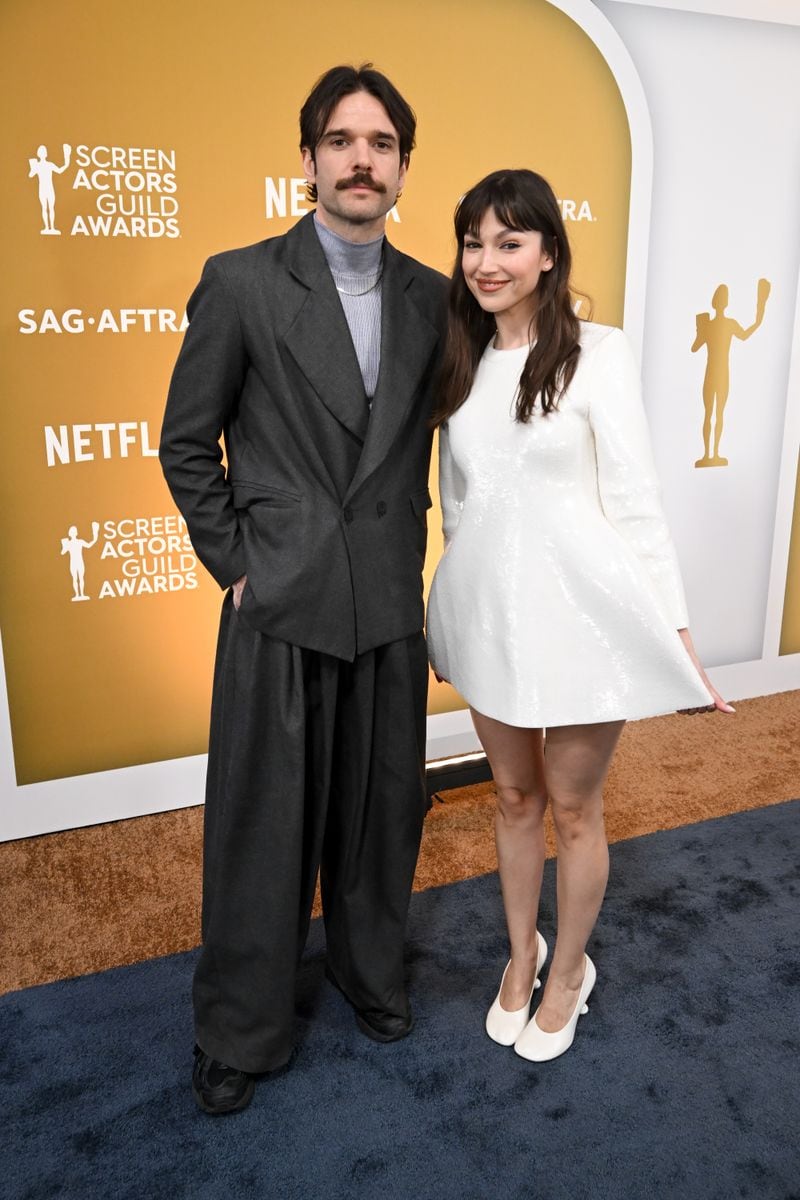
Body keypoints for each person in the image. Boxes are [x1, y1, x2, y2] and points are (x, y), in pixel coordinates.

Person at [160, 64, 446, 1114]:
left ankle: (368, 971)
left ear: (402, 168)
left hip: (385, 598)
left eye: (378, 143)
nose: (359, 159)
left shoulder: (432, 295)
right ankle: (240, 1026)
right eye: (339, 140)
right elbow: (186, 446)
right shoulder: (240, 281)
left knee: (381, 813)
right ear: (308, 160)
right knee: (261, 825)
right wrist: (239, 567)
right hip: (280, 602)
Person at [427, 169, 733, 1063]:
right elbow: (457, 505)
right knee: (514, 797)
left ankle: (570, 972)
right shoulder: (458, 357)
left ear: (548, 253)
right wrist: (447, 616)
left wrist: (674, 633)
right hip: (491, 617)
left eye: (509, 242)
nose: (487, 261)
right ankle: (520, 959)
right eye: (474, 242)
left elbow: (636, 501)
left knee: (572, 806)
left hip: (588, 616)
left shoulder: (599, 351)